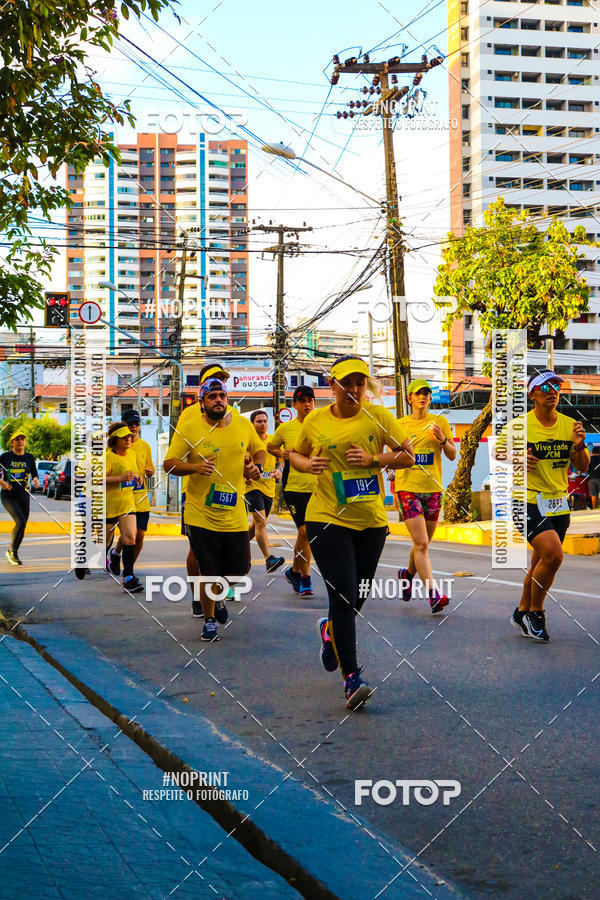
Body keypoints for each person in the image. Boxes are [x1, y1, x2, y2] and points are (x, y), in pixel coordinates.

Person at [289, 355, 414, 709]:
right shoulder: (315, 421)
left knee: (356, 598)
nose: (354, 389)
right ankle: (352, 678)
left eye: (360, 383)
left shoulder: (379, 417)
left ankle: (330, 632)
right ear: (333, 386)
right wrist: (308, 463)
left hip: (371, 521)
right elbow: (295, 456)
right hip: (327, 517)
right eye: (347, 383)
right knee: (344, 592)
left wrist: (375, 460)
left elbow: (408, 455)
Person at [163, 377, 265, 642]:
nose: (218, 400)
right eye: (212, 396)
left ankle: (218, 596)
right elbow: (169, 464)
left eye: (222, 395)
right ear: (202, 402)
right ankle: (209, 621)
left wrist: (257, 467)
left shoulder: (243, 424)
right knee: (207, 569)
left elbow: (260, 450)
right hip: (200, 512)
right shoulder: (189, 428)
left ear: (227, 399)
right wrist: (196, 467)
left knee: (240, 568)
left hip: (233, 513)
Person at [501, 370, 589, 642]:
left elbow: (582, 466)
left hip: (558, 503)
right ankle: (535, 613)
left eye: (556, 386)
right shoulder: (520, 425)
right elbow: (496, 451)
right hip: (524, 500)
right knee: (553, 555)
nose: (552, 390)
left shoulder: (569, 425)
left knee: (540, 561)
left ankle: (521, 609)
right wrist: (516, 458)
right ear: (532, 394)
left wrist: (578, 446)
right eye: (545, 386)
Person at [394, 380, 457, 613]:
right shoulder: (399, 425)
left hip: (433, 490)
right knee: (421, 543)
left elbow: (452, 454)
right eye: (418, 393)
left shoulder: (439, 422)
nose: (423, 397)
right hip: (407, 488)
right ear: (409, 398)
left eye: (426, 393)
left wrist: (441, 439)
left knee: (423, 543)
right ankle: (433, 594)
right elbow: (391, 454)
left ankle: (406, 575)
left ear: (430, 398)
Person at [269, 386, 317, 596]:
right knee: (304, 531)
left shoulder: (321, 426)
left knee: (311, 535)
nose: (307, 404)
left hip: (319, 487)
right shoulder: (285, 428)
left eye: (310, 400)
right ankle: (305, 578)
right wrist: (282, 453)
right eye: (302, 400)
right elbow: (271, 447)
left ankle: (294, 571)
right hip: (294, 486)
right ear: (295, 404)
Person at [108, 409, 155, 575]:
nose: (134, 427)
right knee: (129, 533)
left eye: (137, 424)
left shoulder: (145, 446)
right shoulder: (113, 451)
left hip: (140, 497)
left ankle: (127, 567)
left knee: (139, 535)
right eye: (130, 424)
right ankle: (115, 555)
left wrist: (149, 473)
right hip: (120, 498)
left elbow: (150, 469)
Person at [105, 423, 144, 593]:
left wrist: (137, 478)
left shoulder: (133, 454)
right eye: (124, 437)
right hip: (107, 505)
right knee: (102, 542)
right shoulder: (107, 457)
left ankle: (128, 577)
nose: (129, 439)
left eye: (130, 436)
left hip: (127, 503)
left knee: (130, 538)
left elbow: (132, 472)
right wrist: (120, 478)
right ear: (115, 440)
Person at [245, 410, 284, 573]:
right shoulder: (248, 442)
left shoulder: (272, 441)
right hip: (252, 487)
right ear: (252, 423)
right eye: (258, 421)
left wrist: (279, 470)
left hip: (268, 489)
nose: (262, 424)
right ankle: (269, 559)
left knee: (255, 526)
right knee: (261, 522)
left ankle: (236, 546)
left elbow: (282, 460)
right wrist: (246, 473)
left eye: (264, 421)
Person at [0, 430, 39, 565]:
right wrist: (2, 482)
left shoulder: (29, 457)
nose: (20, 441)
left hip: (24, 495)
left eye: (22, 439)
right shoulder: (5, 457)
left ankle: (13, 551)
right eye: (17, 439)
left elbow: (34, 473)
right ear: (12, 443)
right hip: (8, 495)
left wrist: (36, 480)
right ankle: (12, 552)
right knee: (21, 521)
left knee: (22, 525)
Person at [587, 445, 600, 510]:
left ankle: (594, 508)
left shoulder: (589, 459)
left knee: (593, 494)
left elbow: (586, 469)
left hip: (591, 479)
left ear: (592, 452)